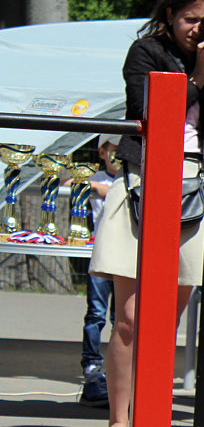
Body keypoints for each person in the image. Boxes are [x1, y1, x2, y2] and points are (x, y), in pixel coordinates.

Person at [89, 0, 204, 427]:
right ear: (170, 15)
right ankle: (119, 420)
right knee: (130, 316)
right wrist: (196, 74)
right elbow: (153, 113)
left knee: (167, 320)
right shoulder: (146, 53)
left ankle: (153, 419)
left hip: (192, 184)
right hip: (142, 178)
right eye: (189, 19)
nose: (198, 29)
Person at [79, 134, 120, 408]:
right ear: (102, 152)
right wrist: (91, 184)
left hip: (124, 254)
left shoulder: (128, 178)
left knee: (121, 316)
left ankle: (116, 368)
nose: (116, 157)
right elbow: (70, 182)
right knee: (95, 312)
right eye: (112, 151)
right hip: (99, 252)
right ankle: (91, 364)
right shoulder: (95, 177)